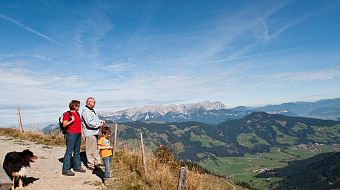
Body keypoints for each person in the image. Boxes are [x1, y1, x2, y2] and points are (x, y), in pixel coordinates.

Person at [62, 100, 86, 176]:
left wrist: (82, 134)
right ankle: (66, 169)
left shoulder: (77, 114)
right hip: (71, 134)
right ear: (73, 106)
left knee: (77, 151)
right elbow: (64, 125)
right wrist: (72, 120)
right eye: (77, 105)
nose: (78, 107)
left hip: (78, 134)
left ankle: (77, 167)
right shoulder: (67, 114)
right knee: (69, 152)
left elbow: (80, 124)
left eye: (78, 105)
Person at [82, 97, 105, 170]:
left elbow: (94, 120)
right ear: (89, 102)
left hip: (94, 132)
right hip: (90, 133)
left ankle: (97, 163)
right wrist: (99, 125)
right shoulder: (86, 111)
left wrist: (100, 121)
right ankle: (91, 165)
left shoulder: (91, 111)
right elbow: (89, 123)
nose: (95, 103)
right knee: (90, 150)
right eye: (93, 102)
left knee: (94, 149)